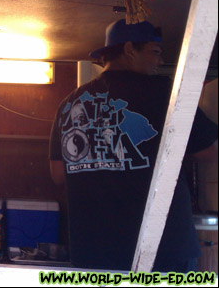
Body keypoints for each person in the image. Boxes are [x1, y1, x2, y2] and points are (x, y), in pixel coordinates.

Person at [49, 19, 218, 272]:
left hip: (94, 253)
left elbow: (58, 174)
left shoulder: (70, 103)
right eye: (155, 52)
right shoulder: (165, 94)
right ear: (129, 50)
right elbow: (208, 150)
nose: (160, 61)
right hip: (163, 251)